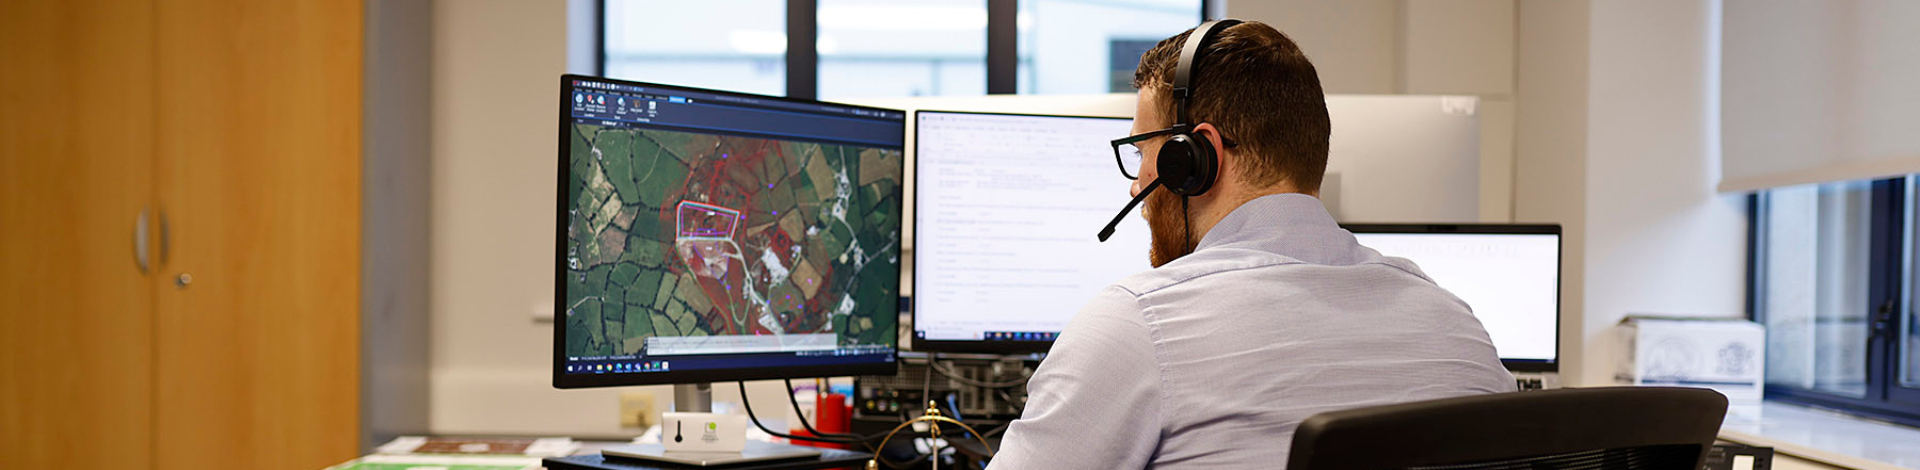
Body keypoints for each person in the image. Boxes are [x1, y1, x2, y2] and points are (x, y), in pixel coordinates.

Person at [985, 20, 1515, 469]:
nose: (1135, 185)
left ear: (1196, 156)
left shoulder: (1137, 326)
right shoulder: (1457, 325)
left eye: (1144, 152)